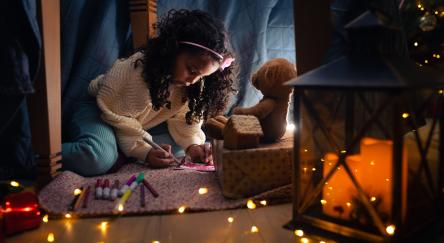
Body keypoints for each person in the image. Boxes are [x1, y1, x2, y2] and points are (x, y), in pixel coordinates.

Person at [62, 9, 236, 176]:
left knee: (176, 150)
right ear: (174, 49)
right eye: (191, 69)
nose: (193, 80)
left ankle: (121, 151)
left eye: (201, 76)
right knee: (98, 158)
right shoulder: (135, 72)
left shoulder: (191, 84)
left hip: (136, 123)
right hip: (101, 112)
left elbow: (184, 120)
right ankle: (43, 152)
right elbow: (118, 117)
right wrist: (145, 152)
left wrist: (193, 146)